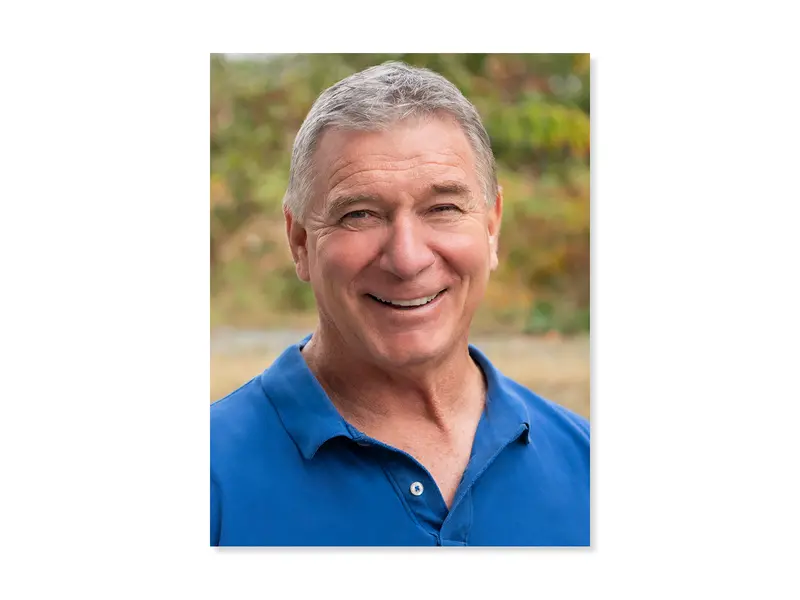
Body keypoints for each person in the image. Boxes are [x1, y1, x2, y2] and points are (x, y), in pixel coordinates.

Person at [210, 61, 590, 546]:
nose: (407, 259)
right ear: (301, 241)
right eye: (361, 214)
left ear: (492, 226)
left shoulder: (589, 464)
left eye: (443, 209)